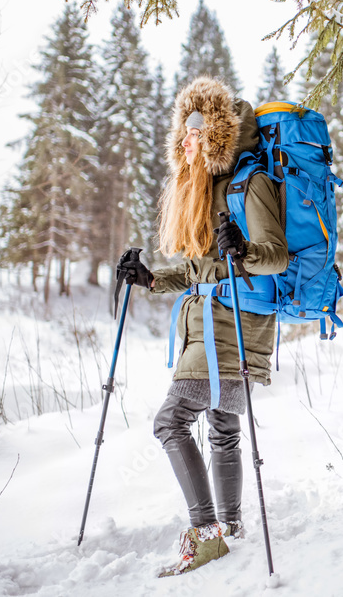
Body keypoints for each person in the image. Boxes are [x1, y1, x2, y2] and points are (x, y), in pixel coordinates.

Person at [116, 76, 288, 577]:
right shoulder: (209, 189)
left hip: (233, 323)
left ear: (215, 133)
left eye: (196, 130)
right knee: (222, 427)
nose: (186, 139)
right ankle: (229, 526)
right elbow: (199, 270)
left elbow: (274, 257)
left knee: (170, 422)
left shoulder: (248, 183)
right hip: (213, 318)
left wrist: (244, 249)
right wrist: (150, 279)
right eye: (183, 131)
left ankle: (206, 533)